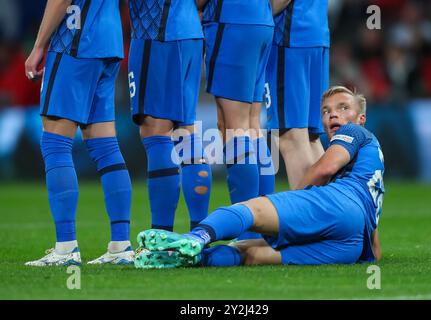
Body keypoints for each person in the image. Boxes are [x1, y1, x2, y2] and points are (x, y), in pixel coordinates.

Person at [134, 86, 384, 268]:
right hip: (353, 243)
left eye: (343, 108)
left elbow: (324, 169)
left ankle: (194, 238)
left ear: (360, 119)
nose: (333, 115)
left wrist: (291, 200)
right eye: (326, 110)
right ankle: (189, 259)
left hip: (339, 208)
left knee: (252, 210)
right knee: (253, 255)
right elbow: (375, 245)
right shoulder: (372, 163)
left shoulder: (354, 132)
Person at [24, 0, 133, 266]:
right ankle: (121, 245)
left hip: (75, 39)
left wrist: (39, 45)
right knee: (105, 147)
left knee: (55, 143)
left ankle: (66, 247)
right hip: (109, 40)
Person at [127, 0, 212, 233]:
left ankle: (161, 237)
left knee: (155, 131)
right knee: (186, 132)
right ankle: (200, 235)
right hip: (191, 31)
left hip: (156, 32)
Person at [196, 0, 276, 240]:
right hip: (262, 21)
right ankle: (266, 228)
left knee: (234, 127)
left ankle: (247, 232)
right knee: (252, 126)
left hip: (232, 22)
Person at [266, 0, 330, 189]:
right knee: (310, 137)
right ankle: (327, 214)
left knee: (291, 137)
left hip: (289, 36)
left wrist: (255, 18)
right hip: (315, 32)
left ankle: (307, 215)